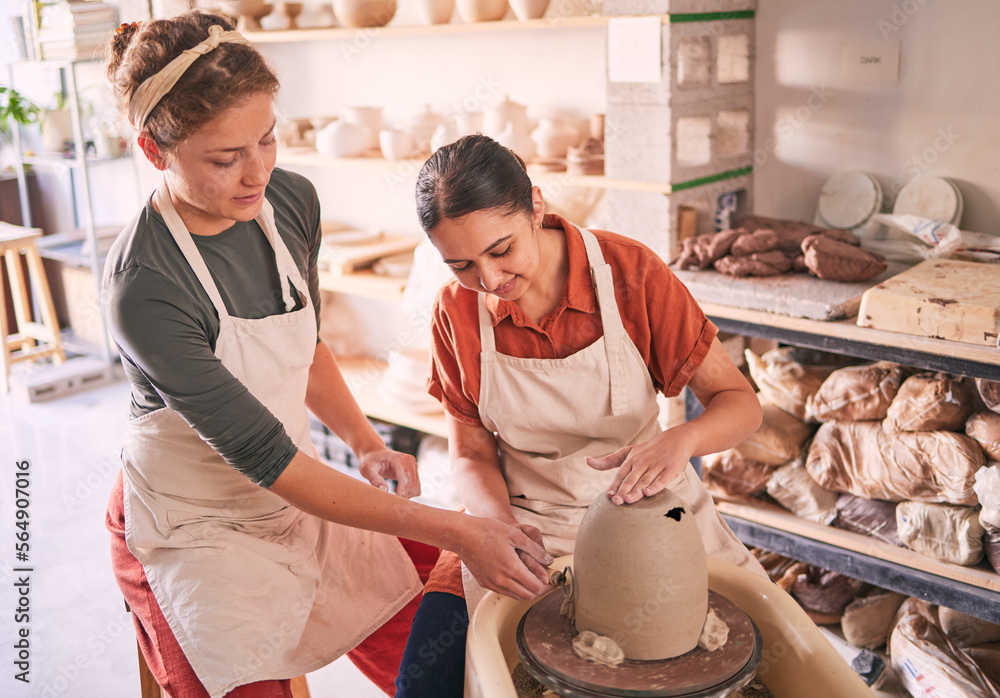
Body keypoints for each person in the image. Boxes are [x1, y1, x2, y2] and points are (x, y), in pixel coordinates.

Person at [101, 14, 551, 698]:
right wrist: (459, 527)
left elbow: (302, 344)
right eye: (226, 158)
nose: (257, 171)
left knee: (453, 639)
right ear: (153, 150)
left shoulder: (288, 202)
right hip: (193, 520)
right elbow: (268, 462)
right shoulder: (145, 287)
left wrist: (366, 443)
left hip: (297, 490)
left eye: (268, 138)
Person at [394, 134, 769, 697]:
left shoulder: (629, 272)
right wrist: (500, 529)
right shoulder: (455, 311)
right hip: (523, 518)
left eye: (502, 251)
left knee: (770, 660)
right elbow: (470, 453)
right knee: (428, 682)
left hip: (653, 508)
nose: (490, 280)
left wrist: (682, 441)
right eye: (462, 264)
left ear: (536, 207)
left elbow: (741, 405)